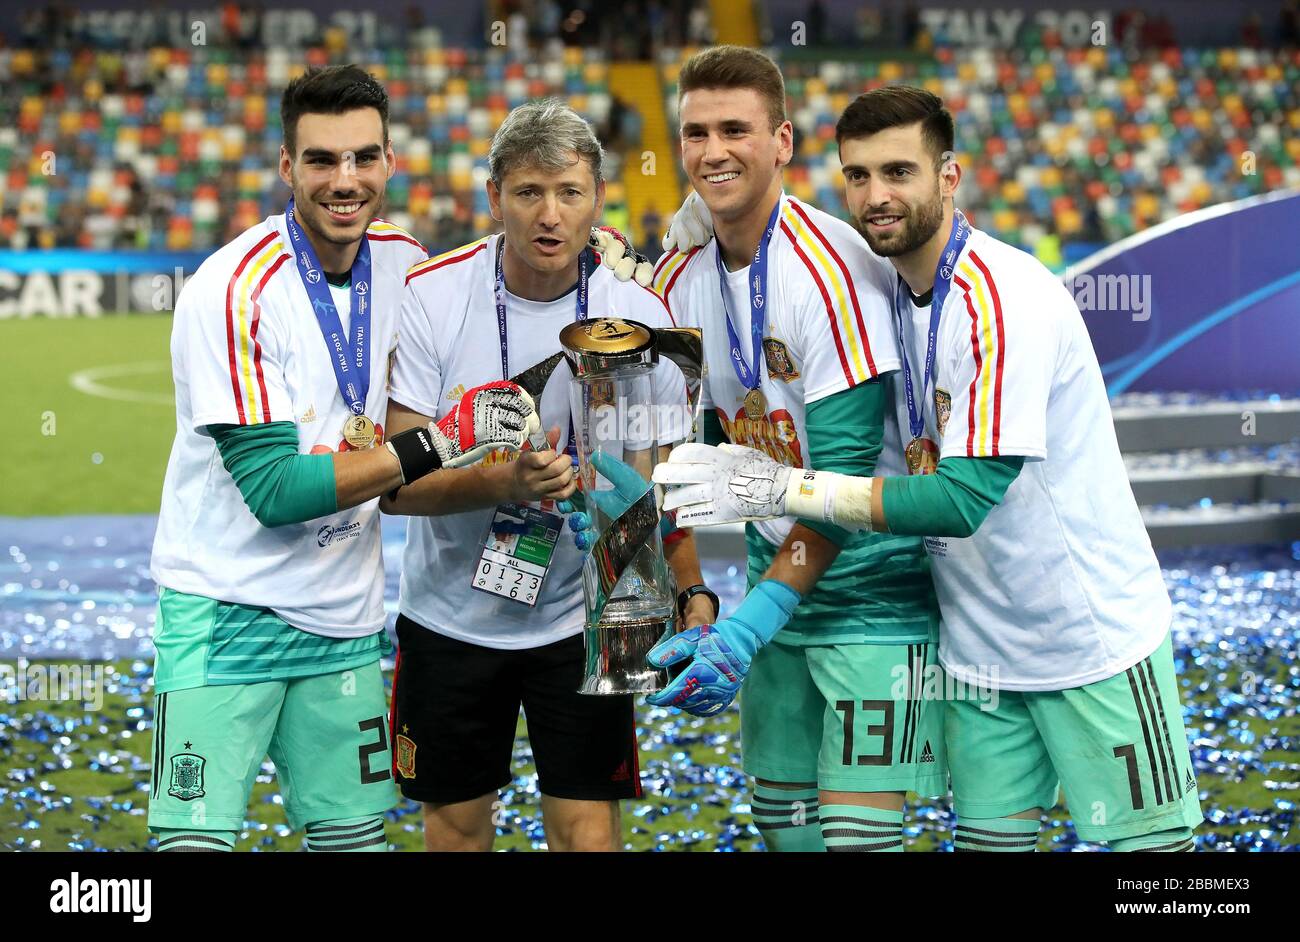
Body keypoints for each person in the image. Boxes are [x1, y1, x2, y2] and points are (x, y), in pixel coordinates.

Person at [654, 85, 1203, 852]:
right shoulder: (889, 284)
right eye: (858, 177)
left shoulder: (1002, 299)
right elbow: (783, 247)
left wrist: (788, 488)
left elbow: (963, 499)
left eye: (899, 173)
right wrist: (694, 244)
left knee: (1158, 864)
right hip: (976, 646)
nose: (876, 197)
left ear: (950, 175)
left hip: (1088, 635)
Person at [147, 65, 539, 853]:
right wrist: (439, 441)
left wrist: (603, 260)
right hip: (227, 611)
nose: (345, 180)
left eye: (364, 158)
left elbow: (506, 288)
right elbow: (277, 490)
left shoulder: (405, 262)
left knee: (354, 842)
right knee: (193, 845)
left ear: (390, 162)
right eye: (322, 160)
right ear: (287, 167)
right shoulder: (233, 290)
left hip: (346, 623)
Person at [380, 99, 712, 852]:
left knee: (587, 832)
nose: (549, 214)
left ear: (598, 197)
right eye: (529, 192)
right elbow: (395, 483)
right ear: (494, 196)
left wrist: (688, 592)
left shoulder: (641, 315)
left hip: (582, 618)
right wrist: (504, 485)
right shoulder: (434, 296)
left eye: (569, 192)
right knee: (458, 829)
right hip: (448, 620)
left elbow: (661, 487)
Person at [638, 46, 947, 853]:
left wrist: (748, 627)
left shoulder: (831, 266)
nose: (713, 152)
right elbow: (681, 464)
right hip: (772, 595)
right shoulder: (677, 284)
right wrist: (695, 601)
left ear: (781, 142)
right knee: (785, 834)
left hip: (870, 596)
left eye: (735, 129)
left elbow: (838, 484)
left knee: (854, 842)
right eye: (695, 132)